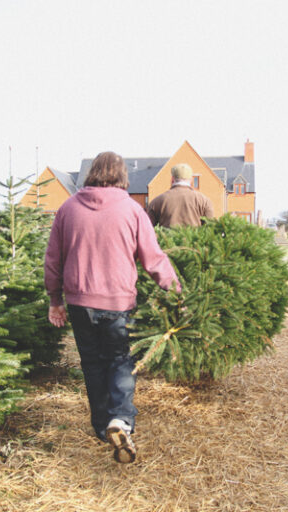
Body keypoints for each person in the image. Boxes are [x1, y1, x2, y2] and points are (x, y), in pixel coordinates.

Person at [44, 151, 180, 464]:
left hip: (79, 302)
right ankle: (120, 420)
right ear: (122, 176)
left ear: (92, 173)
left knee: (92, 364)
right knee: (121, 360)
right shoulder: (132, 210)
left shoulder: (68, 208)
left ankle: (101, 425)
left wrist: (55, 300)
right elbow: (154, 259)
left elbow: (53, 259)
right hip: (118, 302)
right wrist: (176, 291)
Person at [146, 163, 214, 228]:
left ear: (172, 179)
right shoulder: (204, 201)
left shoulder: (156, 202)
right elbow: (210, 228)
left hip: (167, 236)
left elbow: (147, 229)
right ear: (191, 180)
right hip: (194, 236)